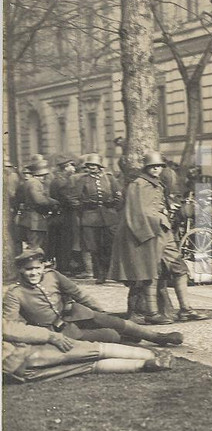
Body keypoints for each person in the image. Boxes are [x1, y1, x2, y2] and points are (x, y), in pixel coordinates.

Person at [4, 248, 184, 348]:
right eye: (28, 269)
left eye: (37, 268)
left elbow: (78, 293)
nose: (33, 273)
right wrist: (40, 337)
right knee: (110, 335)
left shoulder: (53, 276)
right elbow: (11, 324)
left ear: (43, 266)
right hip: (59, 330)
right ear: (20, 270)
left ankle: (158, 337)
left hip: (74, 313)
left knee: (115, 322)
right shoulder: (15, 293)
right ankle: (128, 340)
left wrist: (100, 311)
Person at [108, 151, 207, 324]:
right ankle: (152, 313)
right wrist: (147, 233)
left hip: (163, 231)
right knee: (150, 272)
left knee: (179, 268)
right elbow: (135, 212)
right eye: (152, 167)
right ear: (146, 168)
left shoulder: (157, 184)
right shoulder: (138, 184)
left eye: (159, 166)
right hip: (147, 233)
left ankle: (186, 309)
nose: (156, 169)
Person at [3, 319, 174, 384]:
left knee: (87, 367)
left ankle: (145, 364)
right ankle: (152, 356)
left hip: (16, 372)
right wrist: (51, 336)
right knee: (93, 350)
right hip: (25, 354)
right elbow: (10, 329)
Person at [76, 153, 122, 284]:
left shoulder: (109, 178)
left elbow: (119, 196)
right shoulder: (83, 180)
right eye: (90, 165)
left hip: (109, 218)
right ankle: (100, 273)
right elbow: (73, 198)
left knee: (109, 246)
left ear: (100, 166)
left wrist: (112, 205)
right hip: (90, 218)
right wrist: (84, 206)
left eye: (94, 165)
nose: (92, 167)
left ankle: (111, 272)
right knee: (94, 248)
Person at [16, 160, 58, 251]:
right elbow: (39, 200)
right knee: (35, 247)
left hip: (29, 218)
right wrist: (53, 202)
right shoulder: (35, 183)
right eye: (43, 175)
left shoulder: (28, 182)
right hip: (35, 220)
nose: (44, 178)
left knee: (33, 245)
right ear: (40, 174)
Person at [49, 154, 81, 275]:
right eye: (72, 166)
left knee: (61, 241)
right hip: (65, 215)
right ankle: (64, 268)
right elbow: (68, 199)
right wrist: (80, 205)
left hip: (59, 214)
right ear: (66, 167)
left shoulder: (58, 179)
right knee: (65, 241)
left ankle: (63, 266)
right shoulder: (62, 182)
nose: (74, 168)